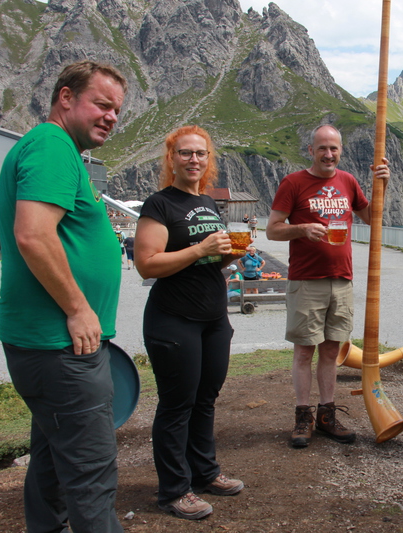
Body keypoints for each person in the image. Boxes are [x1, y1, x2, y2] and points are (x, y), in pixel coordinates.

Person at [0, 60, 128, 533]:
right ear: (66, 98)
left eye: (117, 110)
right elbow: (33, 235)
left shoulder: (60, 149)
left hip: (52, 345)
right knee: (92, 476)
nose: (111, 117)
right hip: (61, 347)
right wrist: (77, 308)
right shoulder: (52, 144)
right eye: (102, 104)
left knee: (51, 465)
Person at [135, 125, 245, 521]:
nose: (193, 160)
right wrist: (200, 248)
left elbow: (207, 261)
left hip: (213, 318)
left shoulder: (208, 202)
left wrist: (229, 255)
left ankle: (205, 472)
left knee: (205, 399)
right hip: (173, 319)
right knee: (176, 405)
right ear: (171, 158)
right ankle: (174, 490)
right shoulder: (159, 203)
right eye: (185, 153)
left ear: (208, 159)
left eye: (200, 153)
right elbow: (147, 264)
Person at [266, 123, 390, 448]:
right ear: (311, 150)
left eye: (334, 148)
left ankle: (326, 415)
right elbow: (272, 229)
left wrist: (383, 185)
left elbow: (372, 217)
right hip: (306, 280)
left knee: (332, 350)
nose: (328, 154)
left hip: (342, 279)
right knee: (304, 350)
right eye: (322, 148)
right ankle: (302, 416)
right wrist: (302, 229)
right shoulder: (293, 183)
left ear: (340, 150)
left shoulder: (348, 181)